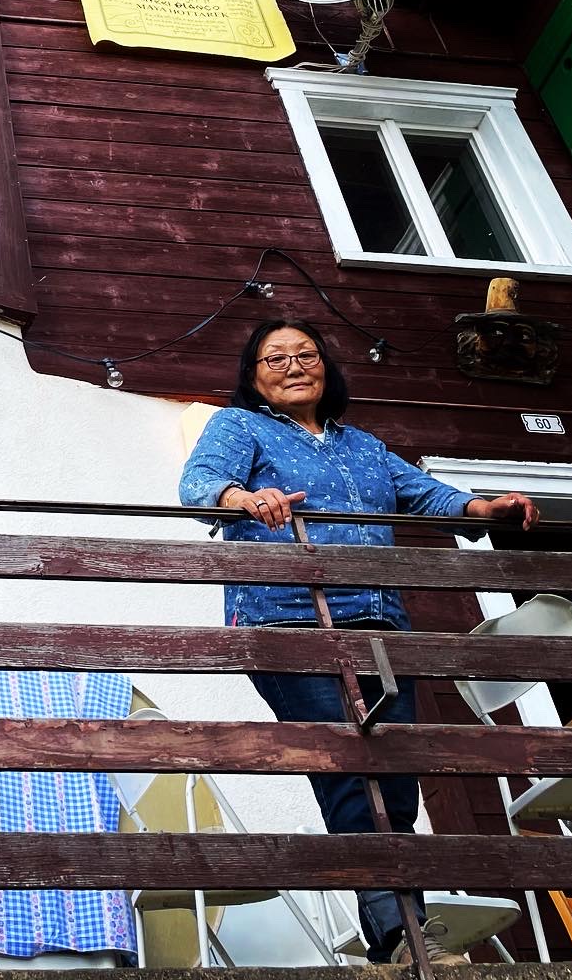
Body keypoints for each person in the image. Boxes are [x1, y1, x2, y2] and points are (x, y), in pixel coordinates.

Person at [180, 317, 537, 966]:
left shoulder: (364, 446)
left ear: (327, 366)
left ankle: (395, 937)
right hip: (288, 622)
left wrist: (484, 510)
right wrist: (245, 497)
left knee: (396, 782)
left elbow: (426, 495)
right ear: (253, 376)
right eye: (275, 358)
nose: (293, 366)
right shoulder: (241, 428)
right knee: (349, 770)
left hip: (378, 627)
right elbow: (198, 486)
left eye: (305, 354)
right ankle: (404, 936)